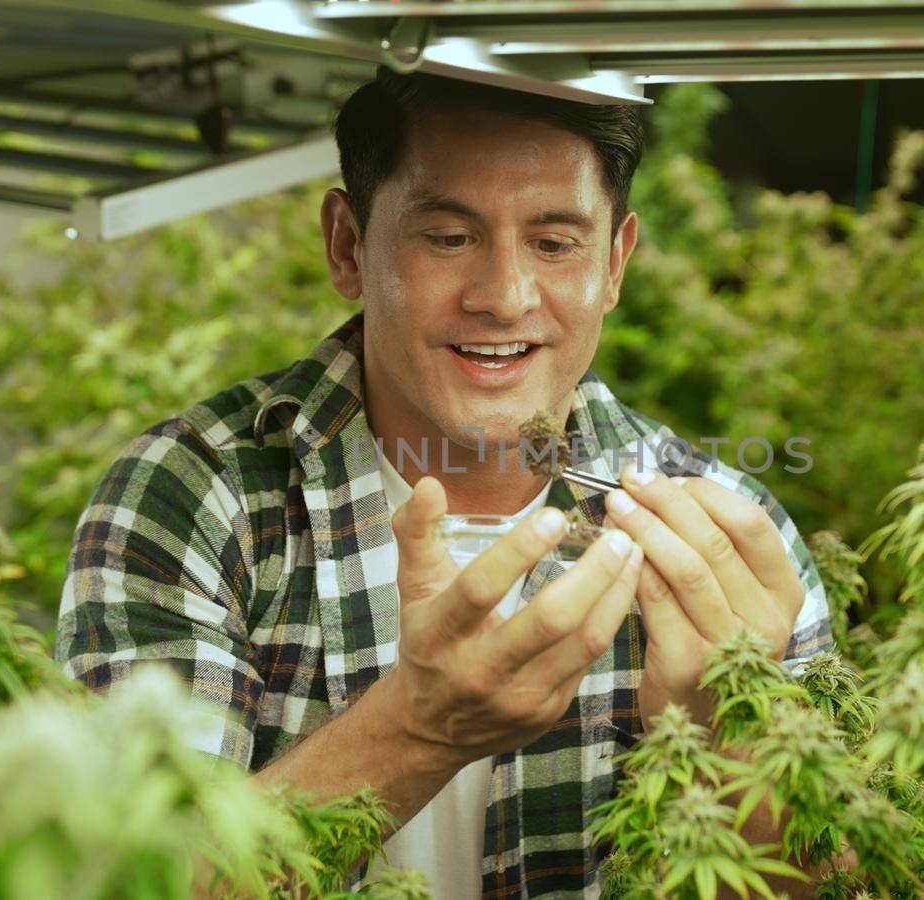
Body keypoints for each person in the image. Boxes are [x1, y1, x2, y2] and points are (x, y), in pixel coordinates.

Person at [55, 67, 835, 898]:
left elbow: (839, 881)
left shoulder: (724, 541)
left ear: (615, 262)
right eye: (448, 237)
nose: (504, 297)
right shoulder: (193, 498)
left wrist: (732, 740)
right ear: (348, 246)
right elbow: (129, 881)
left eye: (554, 242)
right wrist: (418, 727)